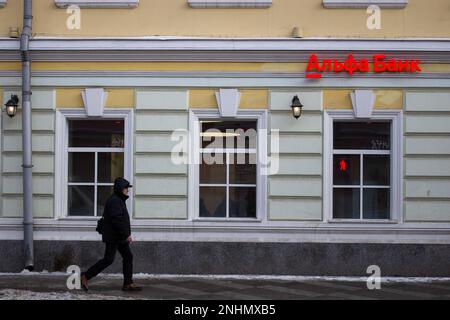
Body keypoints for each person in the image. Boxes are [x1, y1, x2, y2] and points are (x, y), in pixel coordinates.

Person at [81, 177, 142, 292]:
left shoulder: (118, 200)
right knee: (108, 259)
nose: (127, 190)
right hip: (114, 237)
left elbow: (119, 219)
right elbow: (117, 220)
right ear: (120, 188)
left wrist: (124, 234)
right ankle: (85, 276)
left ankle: (128, 283)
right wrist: (126, 235)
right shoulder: (115, 201)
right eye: (125, 188)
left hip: (118, 236)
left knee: (128, 256)